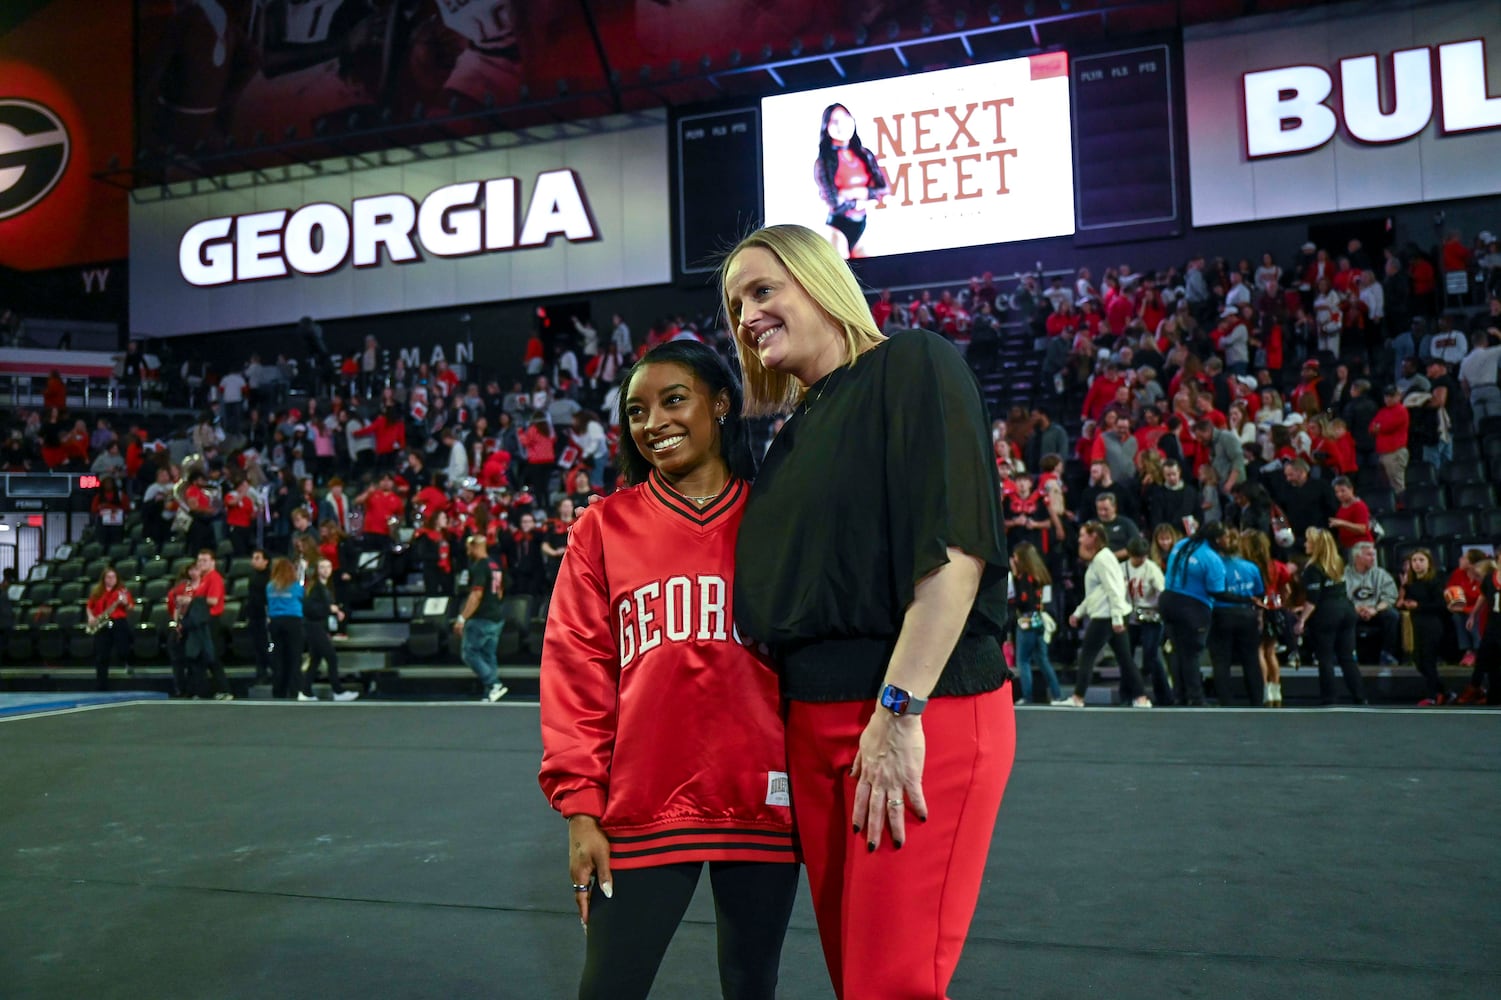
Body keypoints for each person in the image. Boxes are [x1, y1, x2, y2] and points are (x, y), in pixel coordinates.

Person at [724, 224, 1014, 998]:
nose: (746, 317)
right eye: (734, 306)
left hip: (914, 711)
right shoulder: (789, 435)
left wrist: (897, 711)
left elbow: (954, 551)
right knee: (857, 976)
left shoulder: (911, 363)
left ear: (821, 282)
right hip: (813, 730)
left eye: (762, 290)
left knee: (890, 984)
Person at [539, 341, 798, 999]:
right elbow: (576, 671)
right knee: (608, 988)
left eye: (672, 399)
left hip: (764, 799)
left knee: (751, 985)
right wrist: (579, 811)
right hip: (644, 803)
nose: (652, 422)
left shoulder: (777, 516)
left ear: (719, 404)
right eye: (636, 411)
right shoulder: (604, 527)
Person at [1057, 521, 1150, 708]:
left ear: (1094, 537)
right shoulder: (1101, 558)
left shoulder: (1102, 559)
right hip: (1109, 614)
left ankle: (1078, 697)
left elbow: (1114, 589)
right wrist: (1079, 612)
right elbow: (1096, 594)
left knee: (1087, 656)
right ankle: (1141, 697)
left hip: (1107, 616)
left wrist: (1116, 618)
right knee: (1125, 658)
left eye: (1083, 535)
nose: (1080, 539)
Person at [1293, 529, 1368, 705]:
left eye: (1308, 541)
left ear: (1316, 545)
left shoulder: (1313, 568)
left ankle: (1330, 698)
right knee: (1347, 656)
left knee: (1325, 657)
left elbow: (1313, 599)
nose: (1305, 544)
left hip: (1327, 614)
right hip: (1346, 610)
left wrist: (1302, 620)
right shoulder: (1337, 562)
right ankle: (1361, 696)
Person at [814, 103, 889, 260]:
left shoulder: (864, 155)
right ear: (826, 127)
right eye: (834, 121)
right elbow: (833, 201)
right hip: (837, 227)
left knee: (871, 276)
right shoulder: (824, 161)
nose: (841, 125)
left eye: (845, 118)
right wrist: (861, 202)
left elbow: (884, 188)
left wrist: (857, 192)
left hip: (862, 224)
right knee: (842, 278)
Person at [1207, 527, 1266, 706]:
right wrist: (1259, 617)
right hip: (1247, 615)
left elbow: (1212, 591)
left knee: (1221, 661)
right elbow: (1259, 594)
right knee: (1251, 660)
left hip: (1221, 614)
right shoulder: (1251, 567)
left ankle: (1226, 701)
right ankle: (1257, 701)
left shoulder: (1216, 567)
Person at [452, 535, 507, 703]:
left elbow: (476, 594)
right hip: (496, 616)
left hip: (482, 617)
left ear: (475, 547)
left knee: (470, 653)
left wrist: (462, 617)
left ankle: (493, 683)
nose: (467, 551)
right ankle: (492, 691)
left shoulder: (479, 566)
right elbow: (501, 590)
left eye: (469, 547)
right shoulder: (494, 564)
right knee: (488, 654)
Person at [1242, 530, 1294, 707]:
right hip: (1275, 609)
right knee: (1271, 651)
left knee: (1259, 651)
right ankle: (1276, 692)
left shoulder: (1248, 567)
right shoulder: (1277, 565)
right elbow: (1287, 590)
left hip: (1258, 610)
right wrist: (1280, 604)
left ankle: (1264, 691)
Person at [1008, 542, 1064, 705]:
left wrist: (1014, 578)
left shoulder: (1023, 578)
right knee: (1042, 659)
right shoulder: (1041, 575)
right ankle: (1057, 694)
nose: (1014, 559)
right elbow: (1045, 601)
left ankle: (1027, 696)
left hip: (1027, 622)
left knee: (1023, 661)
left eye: (1016, 556)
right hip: (1040, 621)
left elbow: (1023, 601)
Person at [1123, 536, 1174, 706]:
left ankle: (1164, 696)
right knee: (1126, 657)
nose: (1140, 560)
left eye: (1143, 556)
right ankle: (1127, 695)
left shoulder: (1152, 569)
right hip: (1130, 617)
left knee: (1151, 657)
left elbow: (1162, 593)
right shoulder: (1122, 568)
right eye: (1137, 556)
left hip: (1151, 617)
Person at [1397, 549, 1450, 706]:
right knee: (1419, 661)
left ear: (1429, 563)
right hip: (1417, 625)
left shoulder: (1435, 581)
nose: (1417, 564)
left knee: (1428, 661)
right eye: (1414, 560)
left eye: (1421, 560)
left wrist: (1418, 605)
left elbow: (1440, 605)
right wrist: (1403, 589)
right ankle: (1445, 692)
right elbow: (1400, 603)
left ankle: (1433, 696)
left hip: (1432, 625)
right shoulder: (1411, 583)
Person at [300, 558, 356, 702]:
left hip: (317, 626)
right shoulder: (316, 588)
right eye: (322, 567)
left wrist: (335, 611)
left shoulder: (324, 587)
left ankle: (305, 691)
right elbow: (309, 608)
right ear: (318, 570)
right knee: (331, 657)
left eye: (328, 567)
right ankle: (338, 691)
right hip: (314, 626)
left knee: (315, 660)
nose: (326, 570)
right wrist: (329, 609)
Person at [1344, 541, 1401, 666]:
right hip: (1353, 611)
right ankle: (1349, 654)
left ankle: (1387, 655)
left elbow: (1390, 597)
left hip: (1375, 611)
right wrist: (1355, 608)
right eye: (1369, 555)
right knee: (1344, 615)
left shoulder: (1381, 574)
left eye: (1374, 555)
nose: (1374, 558)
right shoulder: (1344, 575)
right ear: (1357, 557)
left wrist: (1375, 609)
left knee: (1392, 615)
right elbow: (1339, 598)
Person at [85, 567, 134, 691]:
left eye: (113, 577)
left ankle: (128, 664)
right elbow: (89, 606)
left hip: (118, 622)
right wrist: (91, 617)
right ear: (104, 579)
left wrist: (125, 603)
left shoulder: (122, 591)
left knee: (123, 649)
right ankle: (101, 685)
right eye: (108, 577)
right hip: (101, 624)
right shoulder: (97, 592)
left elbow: (131, 608)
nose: (111, 579)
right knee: (101, 655)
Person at [265, 557, 305, 700]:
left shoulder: (270, 586)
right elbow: (302, 599)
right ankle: (295, 690)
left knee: (278, 656)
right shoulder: (296, 587)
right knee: (295, 656)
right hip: (293, 621)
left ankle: (278, 690)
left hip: (275, 622)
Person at [245, 548, 272, 686]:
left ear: (266, 561)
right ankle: (261, 673)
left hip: (265, 616)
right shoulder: (252, 575)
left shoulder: (270, 577)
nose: (253, 561)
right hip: (254, 615)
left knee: (267, 646)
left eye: (257, 558)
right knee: (257, 647)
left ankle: (270, 671)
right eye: (253, 558)